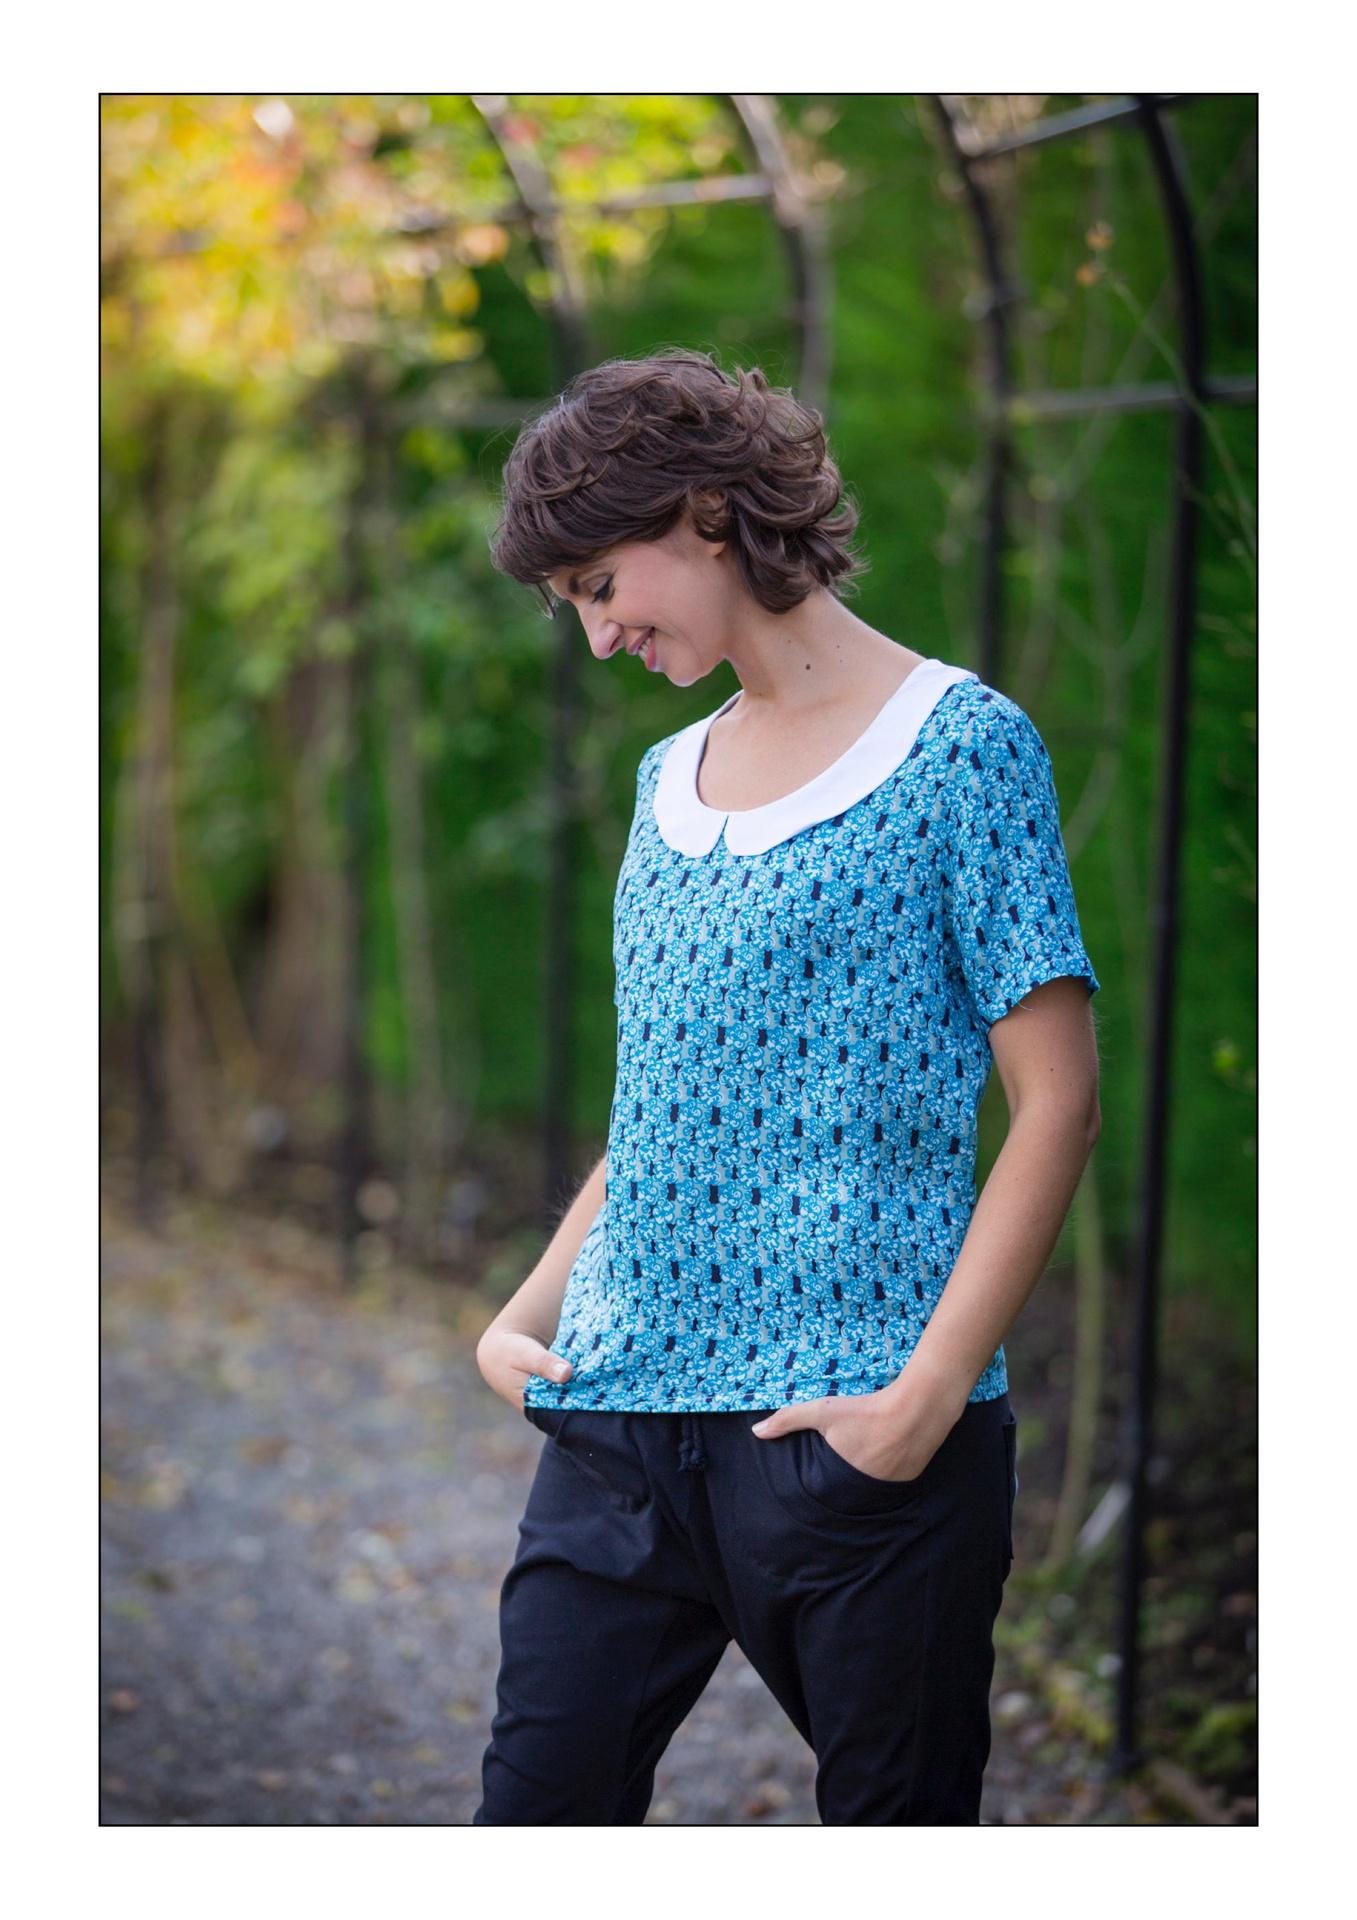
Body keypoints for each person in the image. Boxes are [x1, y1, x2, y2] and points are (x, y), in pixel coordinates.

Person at [473, 351, 1100, 1826]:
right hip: (619, 1427)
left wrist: (922, 1401)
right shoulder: (664, 782)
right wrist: (524, 1312)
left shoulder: (963, 749)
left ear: (704, 512)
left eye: (599, 586)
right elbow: (664, 1106)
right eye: (572, 606)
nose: (598, 636)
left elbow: (1057, 1102)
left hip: (851, 1436)